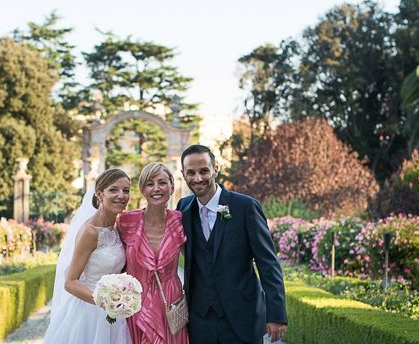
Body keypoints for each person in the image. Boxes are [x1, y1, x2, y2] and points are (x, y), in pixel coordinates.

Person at [176, 144, 288, 344]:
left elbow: (268, 263)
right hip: (199, 320)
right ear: (183, 174)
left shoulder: (245, 207)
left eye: (204, 171)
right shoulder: (183, 208)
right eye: (190, 172)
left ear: (215, 169)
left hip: (242, 318)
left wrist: (276, 315)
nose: (198, 178)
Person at [43, 168, 132, 344]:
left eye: (126, 190)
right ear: (100, 194)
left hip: (114, 312)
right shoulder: (90, 232)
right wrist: (105, 302)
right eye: (113, 189)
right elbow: (70, 282)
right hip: (89, 313)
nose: (121, 195)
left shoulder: (115, 226)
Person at [117, 162, 189, 344]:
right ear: (142, 189)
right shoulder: (126, 221)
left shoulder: (180, 220)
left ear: (172, 187)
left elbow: (196, 263)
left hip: (170, 303)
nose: (156, 189)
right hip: (135, 302)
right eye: (150, 184)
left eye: (162, 183)